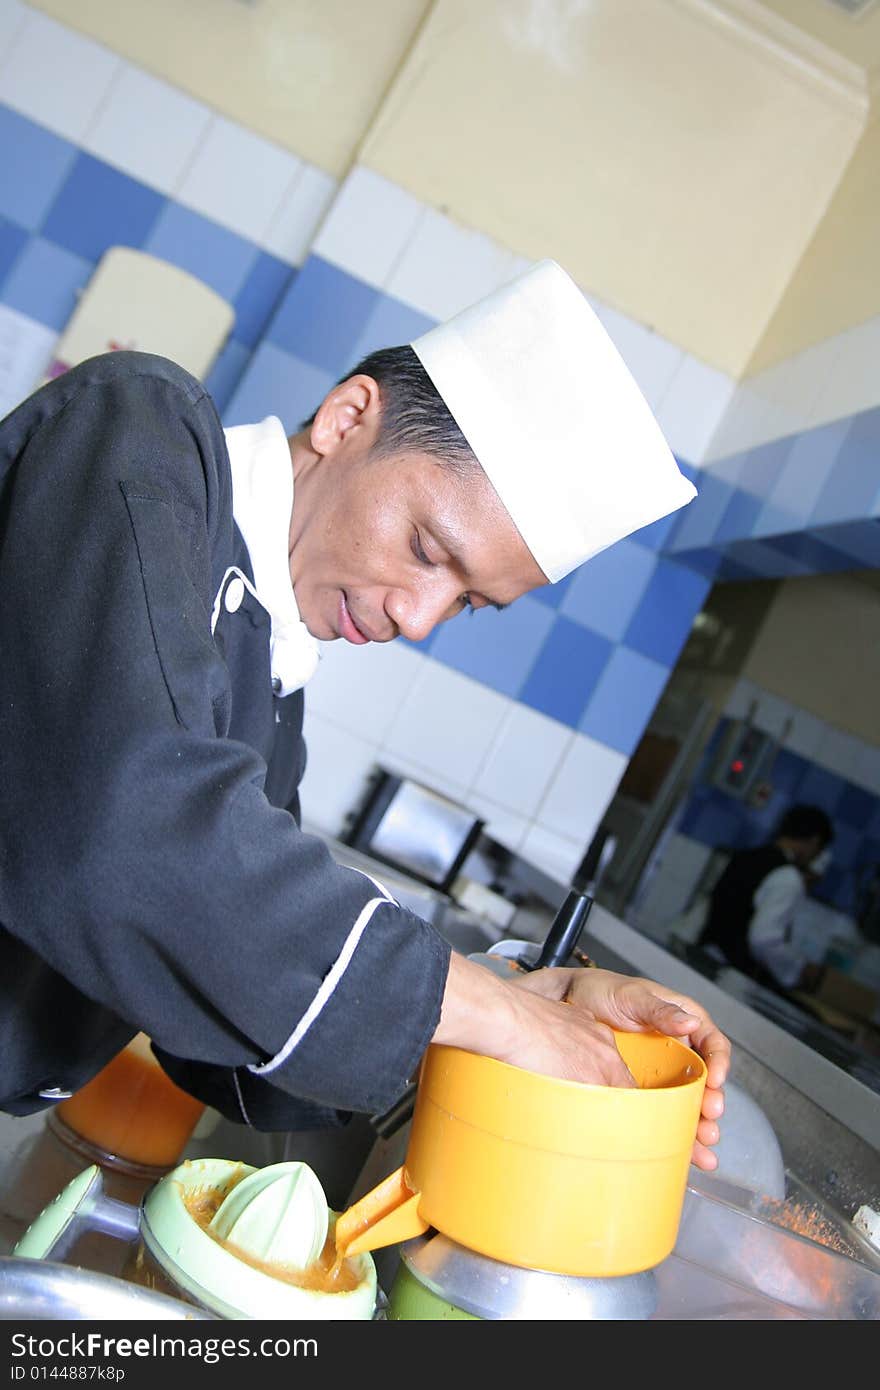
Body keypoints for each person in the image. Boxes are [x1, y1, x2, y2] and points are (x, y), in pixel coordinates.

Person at [0, 259, 729, 1171]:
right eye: (427, 549)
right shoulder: (141, 427)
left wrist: (529, 997)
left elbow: (230, 1029)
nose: (418, 618)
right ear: (348, 419)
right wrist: (491, 1015)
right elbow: (128, 837)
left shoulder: (272, 693)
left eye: (467, 604)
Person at [697, 803, 834, 995]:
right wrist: (798, 969)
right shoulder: (788, 877)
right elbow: (764, 939)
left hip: (701, 958)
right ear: (814, 842)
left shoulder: (744, 857)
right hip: (733, 979)